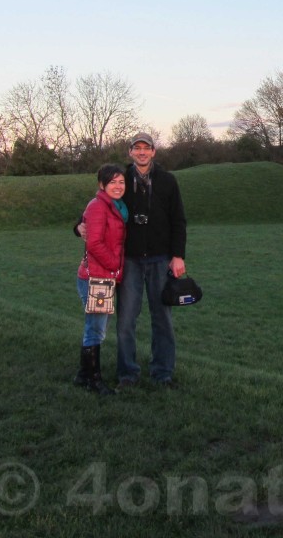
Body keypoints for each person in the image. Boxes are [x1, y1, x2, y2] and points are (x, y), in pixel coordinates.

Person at [117, 132, 187, 388]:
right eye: (138, 148)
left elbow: (178, 220)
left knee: (162, 318)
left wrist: (178, 256)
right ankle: (127, 373)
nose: (142, 152)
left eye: (147, 148)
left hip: (160, 259)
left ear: (154, 152)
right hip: (130, 259)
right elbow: (100, 206)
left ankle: (162, 372)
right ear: (131, 152)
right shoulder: (120, 179)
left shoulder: (168, 181)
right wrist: (80, 225)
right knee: (126, 319)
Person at [73, 163, 128, 397]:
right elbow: (94, 243)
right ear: (101, 184)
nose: (118, 186)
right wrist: (115, 264)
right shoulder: (98, 207)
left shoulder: (117, 206)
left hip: (103, 276)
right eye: (112, 181)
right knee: (96, 330)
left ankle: (83, 375)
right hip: (97, 278)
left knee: (95, 327)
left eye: (121, 181)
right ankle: (92, 379)